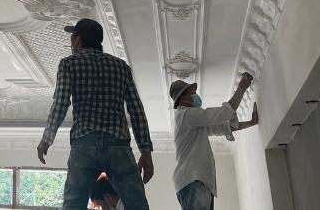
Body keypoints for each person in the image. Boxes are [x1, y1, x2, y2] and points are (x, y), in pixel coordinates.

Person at [36, 18, 153, 210]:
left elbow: (61, 103)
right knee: (137, 204)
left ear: (77, 39)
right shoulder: (121, 66)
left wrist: (46, 139)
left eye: (72, 37)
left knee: (73, 204)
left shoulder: (68, 64)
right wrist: (146, 152)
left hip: (85, 144)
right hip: (118, 145)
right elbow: (136, 109)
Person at [170, 73, 259, 210]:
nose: (196, 95)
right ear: (182, 98)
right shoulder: (186, 114)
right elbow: (223, 114)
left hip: (198, 179)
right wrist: (241, 88)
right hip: (193, 178)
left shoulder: (193, 123)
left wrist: (250, 123)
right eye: (192, 93)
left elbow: (222, 127)